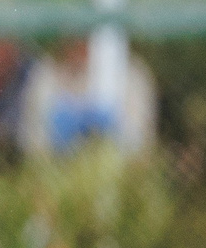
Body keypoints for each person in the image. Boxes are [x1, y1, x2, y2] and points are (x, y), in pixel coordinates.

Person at [19, 36, 157, 157]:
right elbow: (32, 142)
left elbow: (139, 142)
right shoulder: (45, 75)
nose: (79, 44)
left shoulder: (131, 77)